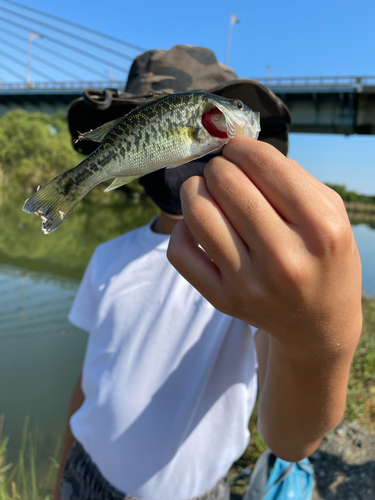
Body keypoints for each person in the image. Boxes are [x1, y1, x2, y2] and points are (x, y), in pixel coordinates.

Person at [54, 45, 362, 500]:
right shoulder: (106, 256)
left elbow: (290, 441)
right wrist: (61, 475)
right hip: (83, 477)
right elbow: (88, 381)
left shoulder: (257, 273)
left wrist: (317, 336)